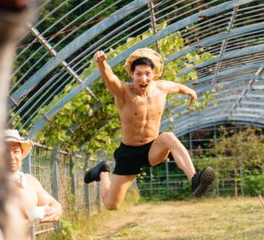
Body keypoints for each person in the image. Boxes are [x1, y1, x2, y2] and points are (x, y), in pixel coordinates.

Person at [84, 48, 215, 210]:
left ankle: (194, 179)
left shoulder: (162, 88)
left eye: (147, 74)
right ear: (132, 74)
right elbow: (110, 78)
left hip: (152, 148)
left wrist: (191, 92)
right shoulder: (123, 91)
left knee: (168, 137)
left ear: (154, 74)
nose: (143, 78)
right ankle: (102, 172)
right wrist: (102, 63)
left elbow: (178, 87)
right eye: (138, 74)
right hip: (129, 153)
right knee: (112, 205)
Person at [5, 129, 62, 226]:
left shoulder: (30, 181)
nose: (11, 156)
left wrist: (55, 210)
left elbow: (53, 204)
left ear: (21, 153)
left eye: (16, 151)